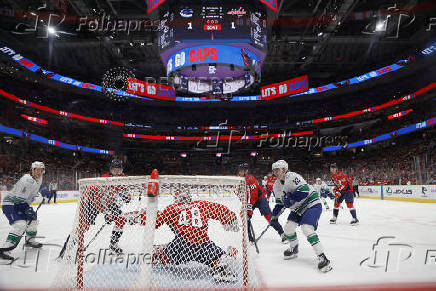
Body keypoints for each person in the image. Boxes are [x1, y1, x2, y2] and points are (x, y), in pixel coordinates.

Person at [114, 187, 240, 282]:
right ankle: (221, 263)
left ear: (177, 198)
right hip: (203, 244)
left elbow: (154, 221)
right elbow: (222, 210)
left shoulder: (172, 208)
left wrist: (131, 218)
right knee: (219, 258)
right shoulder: (203, 205)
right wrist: (231, 220)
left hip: (181, 245)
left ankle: (158, 255)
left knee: (160, 255)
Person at [271, 160, 332, 272]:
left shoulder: (293, 176)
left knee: (306, 228)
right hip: (297, 209)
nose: (275, 173)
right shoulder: (276, 186)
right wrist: (274, 215)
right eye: (274, 170)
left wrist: (291, 198)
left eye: (277, 170)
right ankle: (294, 248)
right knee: (288, 229)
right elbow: (280, 203)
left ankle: (322, 257)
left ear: (284, 169)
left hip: (311, 204)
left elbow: (303, 191)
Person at [0, 162, 52, 261]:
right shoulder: (27, 180)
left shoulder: (38, 178)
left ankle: (30, 240)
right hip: (11, 204)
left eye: (41, 170)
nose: (39, 172)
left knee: (33, 221)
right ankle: (5, 249)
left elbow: (38, 185)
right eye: (37, 170)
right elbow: (18, 200)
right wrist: (27, 210)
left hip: (21, 203)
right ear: (32, 170)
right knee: (20, 225)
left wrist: (43, 189)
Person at [237, 163, 285, 243]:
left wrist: (249, 207)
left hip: (260, 198)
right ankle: (249, 237)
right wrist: (245, 205)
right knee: (245, 218)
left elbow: (254, 195)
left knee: (269, 216)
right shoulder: (237, 179)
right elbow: (238, 192)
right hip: (249, 200)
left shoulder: (251, 179)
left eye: (242, 171)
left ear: (246, 171)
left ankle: (282, 234)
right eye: (239, 171)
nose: (240, 172)